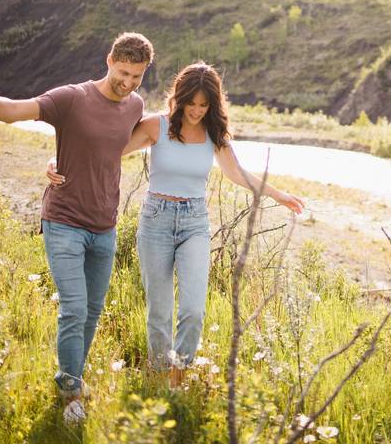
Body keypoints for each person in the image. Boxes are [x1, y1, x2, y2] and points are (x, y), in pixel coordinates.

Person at [47, 61, 303, 388]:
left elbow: (237, 173)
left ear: (212, 104)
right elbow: (106, 148)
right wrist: (58, 160)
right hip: (156, 220)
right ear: (179, 98)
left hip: (195, 222)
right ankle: (158, 375)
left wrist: (279, 195)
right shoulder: (156, 126)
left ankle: (178, 374)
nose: (196, 111)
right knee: (160, 312)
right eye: (190, 103)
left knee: (194, 310)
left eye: (203, 105)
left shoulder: (214, 135)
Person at [0, 32, 153, 424]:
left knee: (92, 311)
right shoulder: (71, 98)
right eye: (123, 73)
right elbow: (12, 110)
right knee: (74, 308)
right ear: (109, 60)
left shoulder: (135, 105)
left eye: (137, 77)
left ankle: (71, 375)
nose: (127, 84)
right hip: (64, 221)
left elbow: (123, 143)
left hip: (105, 225)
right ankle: (70, 393)